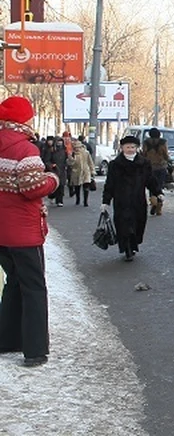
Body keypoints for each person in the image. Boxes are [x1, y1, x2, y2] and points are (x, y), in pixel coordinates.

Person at [0, 96, 60, 367]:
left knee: (13, 282)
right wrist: (53, 179)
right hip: (23, 231)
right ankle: (35, 350)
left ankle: (7, 339)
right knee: (34, 287)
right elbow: (32, 188)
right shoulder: (26, 150)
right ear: (23, 120)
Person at [102, 135, 162, 262]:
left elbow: (150, 180)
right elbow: (110, 184)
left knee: (137, 225)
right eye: (127, 147)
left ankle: (133, 245)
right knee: (124, 226)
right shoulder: (115, 165)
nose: (130, 149)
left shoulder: (144, 163)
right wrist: (105, 201)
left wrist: (157, 192)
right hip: (121, 202)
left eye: (133, 147)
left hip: (138, 201)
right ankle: (127, 249)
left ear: (137, 148)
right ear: (122, 148)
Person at [142, 128, 170, 216]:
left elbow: (144, 154)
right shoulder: (163, 142)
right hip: (161, 167)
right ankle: (159, 207)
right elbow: (165, 154)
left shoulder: (146, 142)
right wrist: (168, 160)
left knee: (151, 186)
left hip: (150, 168)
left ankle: (153, 202)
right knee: (159, 186)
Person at [67, 141, 95, 207]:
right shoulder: (73, 154)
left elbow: (90, 162)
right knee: (77, 186)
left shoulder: (86, 153)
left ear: (81, 147)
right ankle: (78, 199)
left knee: (86, 186)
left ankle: (85, 201)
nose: (77, 149)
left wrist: (92, 171)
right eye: (75, 147)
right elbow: (70, 164)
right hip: (76, 172)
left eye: (78, 147)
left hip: (85, 171)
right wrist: (71, 159)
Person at [48, 137, 68, 207]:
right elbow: (47, 160)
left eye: (61, 141)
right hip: (54, 170)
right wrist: (51, 165)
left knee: (61, 185)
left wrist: (67, 165)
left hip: (62, 170)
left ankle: (60, 200)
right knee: (55, 185)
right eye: (58, 141)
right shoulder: (52, 150)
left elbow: (67, 159)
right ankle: (52, 196)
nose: (60, 143)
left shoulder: (65, 150)